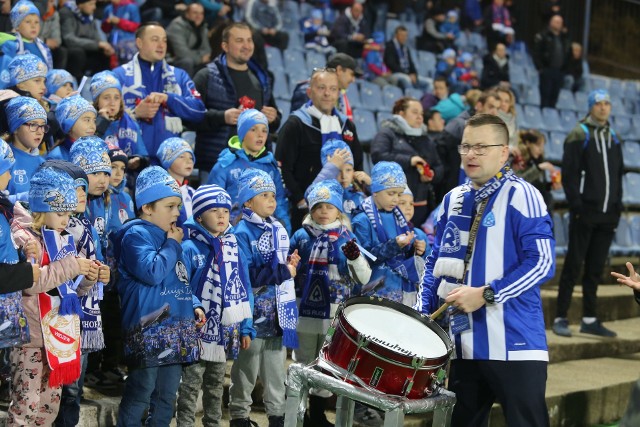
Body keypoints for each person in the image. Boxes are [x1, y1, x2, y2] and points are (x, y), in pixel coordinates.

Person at [415, 113, 555, 427]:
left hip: (516, 343)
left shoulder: (523, 195)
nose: (470, 154)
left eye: (481, 147)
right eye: (466, 147)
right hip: (463, 346)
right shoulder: (453, 199)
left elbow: (543, 262)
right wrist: (422, 314)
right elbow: (435, 266)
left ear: (504, 152)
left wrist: (486, 294)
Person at [112, 166, 203, 426]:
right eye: (170, 206)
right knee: (141, 391)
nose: (177, 212)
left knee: (166, 397)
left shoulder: (175, 239)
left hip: (177, 327)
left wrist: (195, 304)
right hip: (147, 331)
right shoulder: (135, 235)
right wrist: (172, 244)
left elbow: (182, 279)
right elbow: (152, 272)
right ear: (147, 208)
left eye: (177, 206)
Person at [9, 166, 94, 425]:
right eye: (60, 213)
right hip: (31, 338)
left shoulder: (63, 239)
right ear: (41, 208)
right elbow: (31, 284)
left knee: (48, 407)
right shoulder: (24, 239)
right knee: (26, 406)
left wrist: (88, 277)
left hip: (58, 337)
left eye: (68, 213)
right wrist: (71, 266)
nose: (65, 220)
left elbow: (70, 290)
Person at [290, 179, 371, 427]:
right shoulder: (301, 236)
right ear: (310, 210)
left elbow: (363, 276)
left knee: (327, 363)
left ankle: (317, 412)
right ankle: (297, 411)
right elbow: (289, 269)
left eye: (329, 206)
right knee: (303, 360)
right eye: (318, 206)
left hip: (335, 311)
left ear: (339, 210)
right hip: (304, 308)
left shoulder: (347, 237)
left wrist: (355, 258)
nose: (323, 211)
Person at [176, 184, 253, 427]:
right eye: (214, 210)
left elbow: (244, 287)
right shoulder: (189, 248)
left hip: (224, 330)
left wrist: (246, 326)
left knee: (216, 386)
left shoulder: (234, 248)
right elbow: (181, 285)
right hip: (197, 331)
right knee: (190, 386)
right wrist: (195, 304)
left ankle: (213, 423)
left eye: (226, 210)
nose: (222, 216)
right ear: (199, 216)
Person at [228, 168, 300, 427]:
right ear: (247, 201)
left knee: (275, 371)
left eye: (273, 195)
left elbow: (279, 270)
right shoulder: (241, 233)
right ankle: (239, 416)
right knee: (246, 370)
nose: (272, 200)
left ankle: (277, 417)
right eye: (264, 195)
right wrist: (283, 271)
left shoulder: (278, 229)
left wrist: (289, 266)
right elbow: (245, 275)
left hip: (277, 315)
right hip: (253, 314)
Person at [552, 90, 623, 338]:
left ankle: (590, 318)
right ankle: (560, 316)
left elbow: (619, 175)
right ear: (591, 107)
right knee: (573, 265)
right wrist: (577, 206)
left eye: (607, 103)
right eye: (599, 103)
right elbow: (569, 175)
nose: (603, 108)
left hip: (607, 215)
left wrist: (617, 207)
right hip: (585, 212)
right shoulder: (579, 134)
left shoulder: (614, 137)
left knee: (595, 269)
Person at [276, 68, 363, 231]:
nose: (327, 93)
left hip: (342, 210)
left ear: (338, 93)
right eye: (321, 88)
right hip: (304, 211)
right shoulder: (295, 124)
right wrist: (300, 200)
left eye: (332, 89)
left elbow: (357, 165)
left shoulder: (347, 125)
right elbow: (282, 169)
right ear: (309, 92)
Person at [192, 22, 280, 179]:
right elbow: (190, 116)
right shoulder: (206, 75)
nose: (246, 46)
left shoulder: (262, 78)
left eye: (249, 40)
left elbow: (273, 121)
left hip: (256, 167)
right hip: (217, 167)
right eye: (239, 41)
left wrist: (274, 118)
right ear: (225, 46)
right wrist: (222, 117)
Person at [113, 22, 205, 164]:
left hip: (169, 164)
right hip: (131, 163)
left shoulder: (179, 75)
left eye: (164, 40)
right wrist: (135, 114)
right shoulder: (119, 76)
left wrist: (169, 99)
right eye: (155, 40)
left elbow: (199, 111)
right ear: (139, 43)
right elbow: (106, 118)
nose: (161, 45)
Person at [352, 161, 426, 306]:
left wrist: (415, 250)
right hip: (374, 293)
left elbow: (402, 257)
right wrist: (394, 245)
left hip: (401, 290)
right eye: (391, 193)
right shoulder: (361, 221)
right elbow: (363, 260)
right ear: (375, 191)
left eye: (399, 194)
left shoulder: (398, 217)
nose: (396, 199)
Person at [207, 108, 291, 231]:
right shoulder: (225, 164)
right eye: (253, 129)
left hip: (265, 232)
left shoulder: (270, 166)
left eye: (264, 130)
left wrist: (285, 229)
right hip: (231, 232)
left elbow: (280, 202)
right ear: (242, 134)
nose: (260, 134)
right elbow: (211, 203)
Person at [371, 97, 444, 225]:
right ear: (401, 113)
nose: (420, 117)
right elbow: (378, 156)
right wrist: (409, 160)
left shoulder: (426, 139)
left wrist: (432, 175)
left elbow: (439, 165)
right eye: (415, 112)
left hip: (422, 204)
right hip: (393, 205)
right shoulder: (387, 133)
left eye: (421, 114)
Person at [0, 138, 37, 348]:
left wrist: (21, 252)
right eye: (5, 170)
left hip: (8, 314)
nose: (10, 176)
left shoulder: (3, 208)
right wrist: (27, 273)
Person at [435, 90, 501, 201]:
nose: (494, 112)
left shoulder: (488, 130)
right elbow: (439, 153)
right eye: (491, 107)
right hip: (451, 189)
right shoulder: (459, 125)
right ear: (479, 105)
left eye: (497, 109)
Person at [289, 52, 362, 119]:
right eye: (351, 74)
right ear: (339, 70)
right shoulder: (309, 90)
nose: (353, 80)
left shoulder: (339, 96)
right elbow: (303, 125)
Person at [59, 0, 114, 81]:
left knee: (104, 54)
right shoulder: (66, 12)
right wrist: (97, 44)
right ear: (80, 4)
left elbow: (95, 36)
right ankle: (77, 85)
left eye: (95, 4)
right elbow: (69, 40)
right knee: (78, 53)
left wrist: (104, 46)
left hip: (86, 46)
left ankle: (103, 82)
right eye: (91, 4)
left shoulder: (90, 14)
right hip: (70, 48)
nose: (94, 7)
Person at [5, 96, 47, 202]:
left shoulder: (44, 163)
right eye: (33, 125)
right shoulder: (4, 159)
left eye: (42, 126)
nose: (40, 131)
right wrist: (26, 198)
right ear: (15, 129)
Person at [313, 139, 368, 219]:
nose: (344, 176)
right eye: (338, 171)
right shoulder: (322, 199)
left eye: (348, 170)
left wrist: (372, 184)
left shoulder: (360, 196)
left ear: (353, 171)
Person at [156, 137, 196, 233]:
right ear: (168, 160)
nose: (189, 161)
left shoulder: (193, 192)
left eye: (191, 157)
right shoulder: (161, 193)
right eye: (181, 157)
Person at [1, 0, 53, 68]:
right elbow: (5, 71)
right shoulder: (10, 45)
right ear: (17, 26)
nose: (33, 26)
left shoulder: (44, 48)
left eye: (36, 22)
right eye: (28, 22)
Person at [533, 14, 570, 108]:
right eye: (556, 22)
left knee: (554, 97)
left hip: (559, 72)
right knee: (545, 95)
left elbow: (567, 54)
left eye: (560, 22)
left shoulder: (564, 38)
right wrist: (541, 68)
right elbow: (536, 53)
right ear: (551, 22)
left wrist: (564, 70)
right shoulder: (543, 36)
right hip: (546, 70)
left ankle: (551, 117)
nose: (558, 24)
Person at [167, 3, 210, 78]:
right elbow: (181, 52)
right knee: (187, 61)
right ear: (187, 14)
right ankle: (186, 88)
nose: (199, 16)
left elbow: (207, 50)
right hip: (173, 61)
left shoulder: (203, 27)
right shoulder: (177, 26)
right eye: (195, 13)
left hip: (193, 59)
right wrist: (200, 58)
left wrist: (202, 57)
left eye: (201, 13)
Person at [48, 94, 97, 161]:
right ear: (69, 126)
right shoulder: (57, 157)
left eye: (94, 121)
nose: (93, 126)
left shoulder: (97, 150)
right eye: (87, 120)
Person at [384, 25, 430, 91]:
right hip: (395, 73)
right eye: (402, 35)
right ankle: (409, 97)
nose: (404, 38)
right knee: (407, 79)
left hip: (407, 74)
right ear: (396, 35)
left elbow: (411, 63)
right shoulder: (390, 46)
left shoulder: (406, 48)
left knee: (429, 82)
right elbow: (391, 64)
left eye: (406, 36)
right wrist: (408, 74)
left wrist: (414, 74)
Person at [101, 0, 141, 65]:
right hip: (112, 42)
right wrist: (107, 23)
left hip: (129, 41)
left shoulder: (132, 6)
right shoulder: (108, 8)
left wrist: (119, 22)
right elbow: (105, 29)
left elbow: (137, 27)